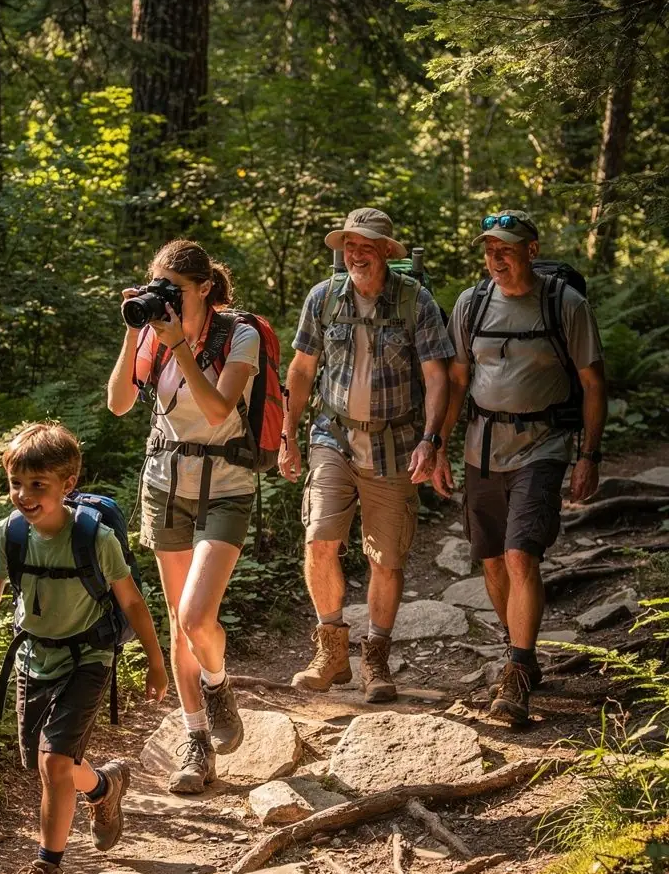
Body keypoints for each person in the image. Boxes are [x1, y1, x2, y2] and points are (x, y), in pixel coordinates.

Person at [0, 422, 168, 874]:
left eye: (38, 485)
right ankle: (105, 787)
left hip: (88, 657)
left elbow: (132, 602)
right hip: (33, 659)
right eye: (16, 483)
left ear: (68, 483)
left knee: (53, 765)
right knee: (51, 766)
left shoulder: (95, 538)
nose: (24, 495)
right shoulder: (10, 534)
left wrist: (155, 659)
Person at [436, 210, 607, 724]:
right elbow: (458, 380)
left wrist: (589, 455)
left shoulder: (564, 304)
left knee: (518, 555)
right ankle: (519, 649)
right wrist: (437, 445)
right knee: (490, 560)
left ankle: (516, 669)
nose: (496, 258)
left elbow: (594, 384)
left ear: (532, 250)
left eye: (506, 248)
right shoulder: (472, 303)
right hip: (481, 449)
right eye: (489, 249)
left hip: (543, 445)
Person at [280, 207, 453, 701]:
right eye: (349, 246)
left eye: (366, 246)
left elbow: (437, 376)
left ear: (385, 252)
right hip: (331, 436)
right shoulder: (323, 298)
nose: (355, 254)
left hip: (396, 442)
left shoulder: (414, 301)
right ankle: (331, 651)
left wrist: (431, 439)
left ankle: (375, 659)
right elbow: (301, 370)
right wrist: (288, 435)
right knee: (319, 541)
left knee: (386, 557)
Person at [107, 240, 260, 794]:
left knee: (198, 617)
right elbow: (119, 403)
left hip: (225, 484)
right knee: (178, 620)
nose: (163, 298)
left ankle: (218, 686)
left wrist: (181, 348)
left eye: (172, 288)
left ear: (202, 289)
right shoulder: (152, 334)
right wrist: (134, 332)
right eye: (156, 286)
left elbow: (219, 408)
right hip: (165, 484)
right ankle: (197, 741)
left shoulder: (238, 336)